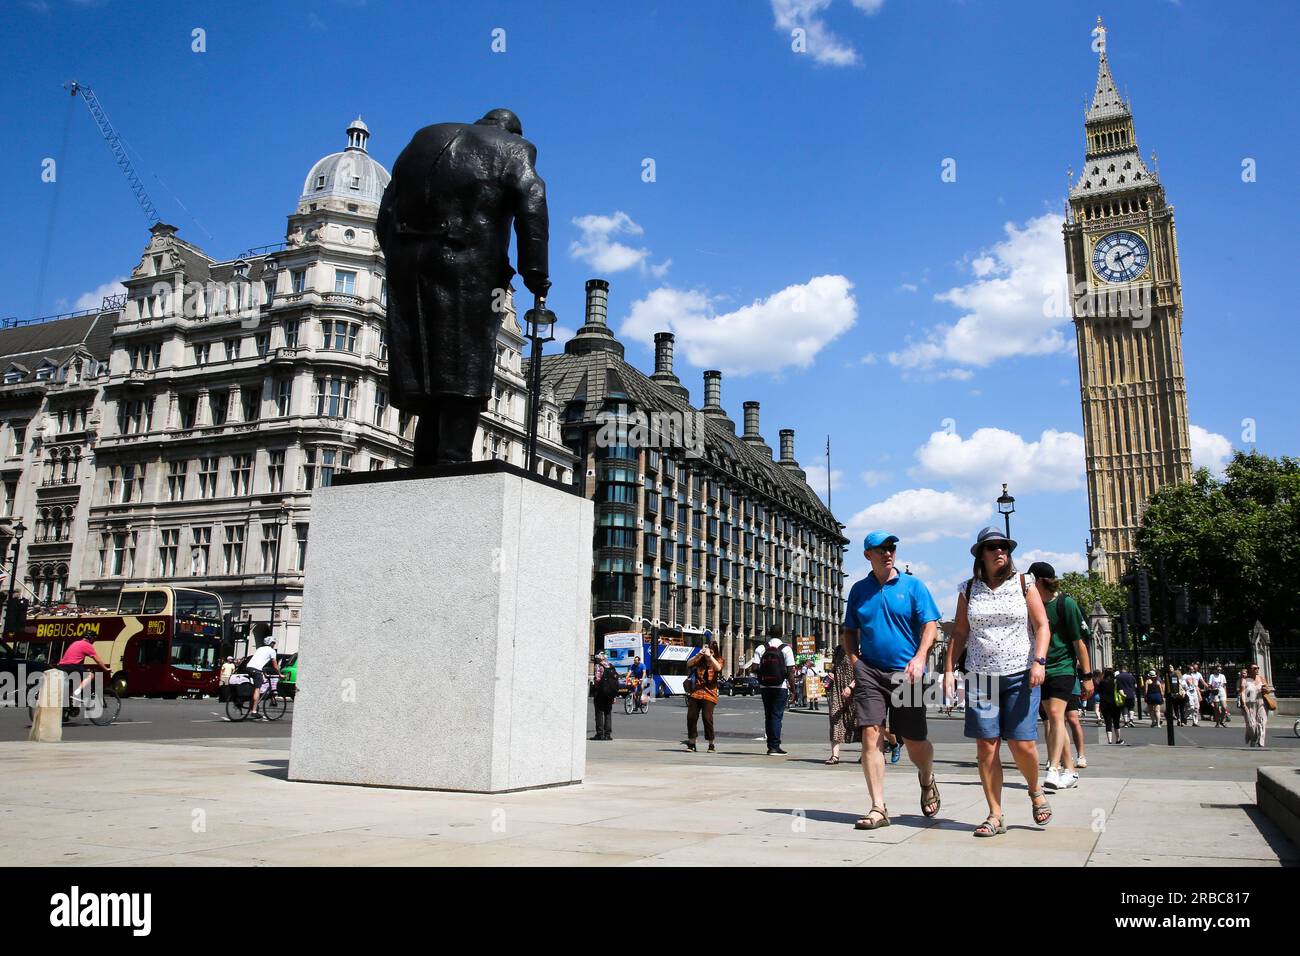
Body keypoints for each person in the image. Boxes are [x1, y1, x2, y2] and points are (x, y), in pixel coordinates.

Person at [377, 109, 550, 465]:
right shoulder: (514, 147)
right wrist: (535, 271)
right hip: (469, 263)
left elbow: (387, 208)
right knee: (465, 362)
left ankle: (424, 455)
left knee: (423, 362)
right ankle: (454, 457)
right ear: (512, 131)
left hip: (408, 262)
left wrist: (397, 254)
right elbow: (533, 200)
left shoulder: (424, 136)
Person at [945, 527, 1051, 837]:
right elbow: (961, 633)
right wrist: (950, 669)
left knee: (1022, 744)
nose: (999, 551)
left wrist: (1039, 661)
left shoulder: (1024, 583)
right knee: (986, 748)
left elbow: (1042, 626)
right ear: (981, 554)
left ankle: (1035, 790)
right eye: (992, 547)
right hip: (981, 676)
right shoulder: (969, 589)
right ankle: (995, 813)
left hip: (1021, 672)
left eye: (1003, 546)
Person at [842, 530, 942, 831]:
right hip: (870, 671)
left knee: (914, 741)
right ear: (867, 555)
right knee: (871, 734)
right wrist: (855, 661)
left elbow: (930, 626)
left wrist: (921, 657)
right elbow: (849, 630)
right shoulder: (859, 590)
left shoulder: (913, 586)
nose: (888, 552)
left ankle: (926, 778)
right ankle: (878, 807)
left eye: (891, 547)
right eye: (880, 548)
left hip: (907, 673)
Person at [1028, 562, 1093, 791]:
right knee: (1056, 721)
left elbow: (1079, 643)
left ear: (1038, 581)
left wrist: (1087, 676)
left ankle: (1053, 768)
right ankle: (1071, 771)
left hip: (1063, 668)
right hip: (1041, 669)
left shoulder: (1066, 603)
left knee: (1056, 715)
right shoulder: (1032, 605)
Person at [748, 626, 797, 755]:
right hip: (780, 687)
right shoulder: (786, 649)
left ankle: (771, 745)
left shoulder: (761, 648)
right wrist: (793, 690)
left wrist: (765, 672)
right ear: (781, 634)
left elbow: (754, 667)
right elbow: (791, 672)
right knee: (776, 716)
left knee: (768, 716)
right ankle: (775, 746)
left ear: (769, 634)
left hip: (765, 687)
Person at [685, 642, 724, 752]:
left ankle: (711, 744)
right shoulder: (700, 660)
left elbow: (718, 668)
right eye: (708, 650)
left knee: (707, 717)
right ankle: (692, 743)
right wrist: (700, 653)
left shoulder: (718, 659)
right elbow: (689, 664)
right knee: (691, 716)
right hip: (696, 692)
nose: (708, 653)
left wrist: (710, 656)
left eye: (711, 651)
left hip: (710, 693)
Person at [825, 644, 860, 765]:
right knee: (835, 719)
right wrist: (832, 674)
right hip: (838, 689)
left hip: (856, 690)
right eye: (841, 638)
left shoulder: (859, 650)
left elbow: (863, 673)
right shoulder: (838, 649)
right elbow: (834, 668)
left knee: (859, 721)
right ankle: (835, 756)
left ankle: (866, 752)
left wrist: (850, 687)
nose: (843, 640)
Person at [56, 636, 108, 704]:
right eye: (94, 639)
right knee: (90, 675)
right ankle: (77, 692)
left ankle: (67, 704)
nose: (94, 641)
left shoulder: (75, 643)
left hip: (60, 667)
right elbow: (98, 660)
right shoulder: (87, 645)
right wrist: (106, 668)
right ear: (91, 638)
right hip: (72, 666)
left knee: (71, 684)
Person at [244, 637, 283, 720]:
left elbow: (259, 661)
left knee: (255, 685)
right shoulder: (272, 651)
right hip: (256, 669)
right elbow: (275, 665)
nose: (274, 645)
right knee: (257, 688)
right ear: (271, 643)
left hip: (249, 667)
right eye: (274, 643)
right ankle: (254, 711)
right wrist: (279, 674)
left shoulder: (260, 649)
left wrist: (264, 673)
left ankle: (252, 701)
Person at [1239, 663, 1270, 747]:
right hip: (1249, 704)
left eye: (1257, 668)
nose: (1257, 669)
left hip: (1261, 702)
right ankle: (1253, 739)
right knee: (1252, 724)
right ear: (1250, 670)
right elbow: (1242, 692)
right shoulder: (1245, 680)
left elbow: (1267, 689)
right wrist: (1244, 704)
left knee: (1262, 722)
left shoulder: (1261, 678)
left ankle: (1261, 741)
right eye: (1255, 668)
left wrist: (1266, 690)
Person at [590, 652, 618, 741]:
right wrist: (614, 695)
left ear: (600, 658)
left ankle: (600, 734)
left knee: (599, 712)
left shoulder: (598, 666)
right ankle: (607, 734)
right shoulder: (611, 666)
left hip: (601, 692)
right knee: (608, 713)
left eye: (597, 658)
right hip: (610, 693)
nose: (596, 659)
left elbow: (598, 679)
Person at [1097, 667, 1126, 745]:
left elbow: (1099, 692)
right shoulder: (1116, 681)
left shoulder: (1102, 682)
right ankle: (1118, 739)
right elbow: (1121, 692)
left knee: (1108, 722)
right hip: (1115, 704)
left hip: (1104, 704)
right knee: (1116, 722)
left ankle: (1109, 741)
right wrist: (1125, 696)